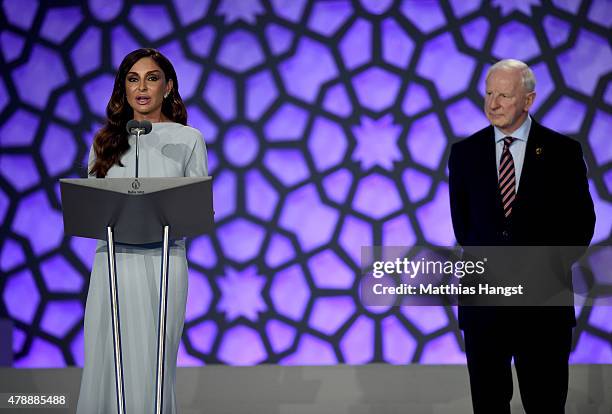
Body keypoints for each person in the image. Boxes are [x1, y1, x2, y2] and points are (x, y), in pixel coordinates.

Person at [448, 59, 595, 413]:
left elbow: (581, 224)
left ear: (528, 101)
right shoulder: (465, 154)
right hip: (485, 307)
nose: (493, 104)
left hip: (543, 306)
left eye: (504, 95)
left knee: (544, 404)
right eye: (488, 94)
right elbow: (464, 227)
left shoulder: (562, 151)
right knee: (488, 405)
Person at [77, 48, 208, 413]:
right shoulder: (105, 140)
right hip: (113, 264)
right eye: (133, 79)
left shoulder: (188, 139)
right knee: (106, 356)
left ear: (168, 87)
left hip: (164, 261)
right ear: (123, 88)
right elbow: (91, 206)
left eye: (152, 78)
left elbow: (195, 207)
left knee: (154, 364)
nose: (142, 87)